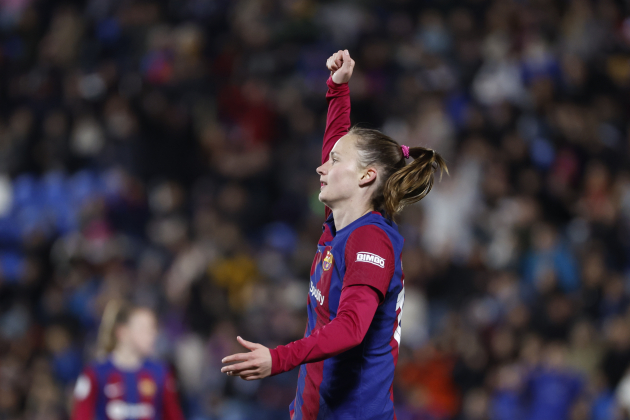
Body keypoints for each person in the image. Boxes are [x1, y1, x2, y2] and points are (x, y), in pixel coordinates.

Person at [221, 49, 447, 419]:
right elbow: (336, 145)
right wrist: (337, 90)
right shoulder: (339, 224)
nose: (321, 167)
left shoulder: (370, 240)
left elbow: (352, 328)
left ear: (366, 177)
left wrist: (278, 359)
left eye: (334, 162)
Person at [71, 301, 185, 420]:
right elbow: (80, 415)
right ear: (123, 332)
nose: (154, 334)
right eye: (145, 328)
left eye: (154, 328)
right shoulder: (95, 373)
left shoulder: (162, 373)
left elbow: (174, 416)